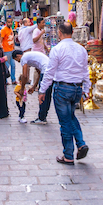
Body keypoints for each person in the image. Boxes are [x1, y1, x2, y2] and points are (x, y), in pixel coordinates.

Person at [39, 22, 89, 165]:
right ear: (72, 32)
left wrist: (42, 90)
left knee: (65, 122)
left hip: (62, 89)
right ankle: (80, 143)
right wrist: (86, 90)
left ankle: (68, 155)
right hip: (77, 89)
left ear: (59, 33)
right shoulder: (81, 49)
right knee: (71, 117)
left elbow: (49, 73)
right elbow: (85, 71)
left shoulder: (57, 49)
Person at [13, 49, 51, 125]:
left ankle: (42, 118)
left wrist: (22, 88)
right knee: (47, 95)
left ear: (18, 56)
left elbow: (24, 76)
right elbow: (39, 72)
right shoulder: (30, 57)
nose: (19, 62)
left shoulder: (24, 58)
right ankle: (43, 116)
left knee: (42, 95)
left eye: (17, 60)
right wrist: (34, 86)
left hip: (46, 71)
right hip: (50, 70)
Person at [1, 19, 16, 84]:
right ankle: (5, 80)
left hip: (11, 50)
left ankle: (13, 80)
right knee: (6, 66)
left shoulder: (11, 29)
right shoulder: (4, 30)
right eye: (9, 22)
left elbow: (12, 39)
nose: (10, 23)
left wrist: (14, 47)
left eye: (11, 22)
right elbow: (1, 40)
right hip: (6, 51)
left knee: (13, 65)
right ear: (6, 22)